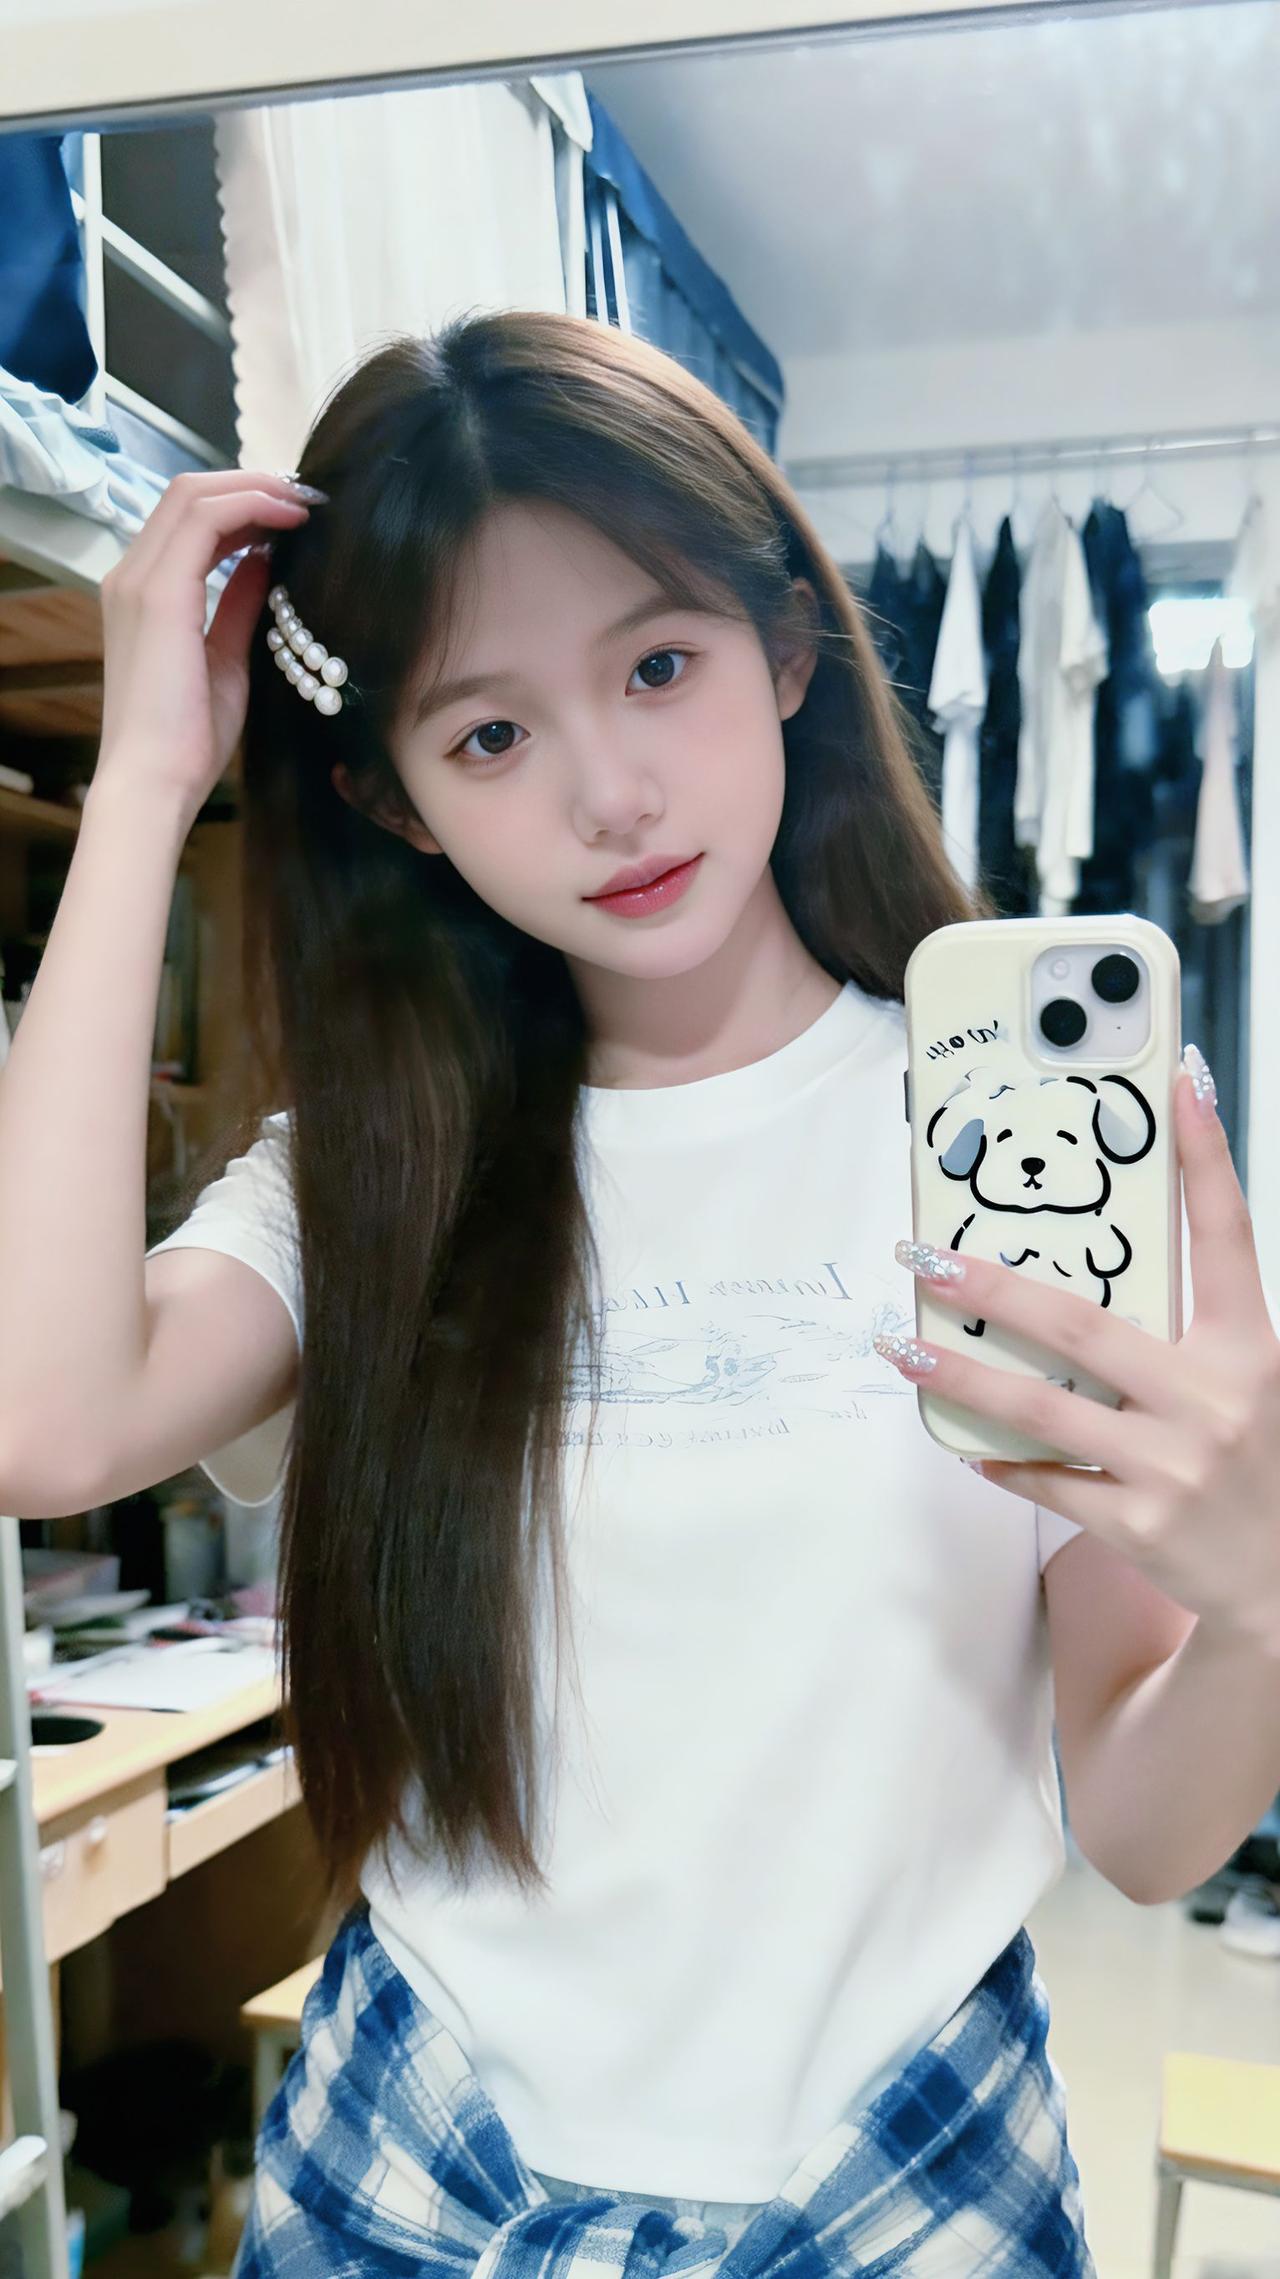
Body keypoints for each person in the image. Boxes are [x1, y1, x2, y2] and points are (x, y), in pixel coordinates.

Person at [3, 312, 1278, 2279]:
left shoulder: (1002, 1154)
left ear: (787, 650)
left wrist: (1264, 1598)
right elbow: (44, 1424)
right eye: (488, 734)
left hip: (900, 2195)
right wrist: (150, 782)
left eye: (657, 666)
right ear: (398, 802)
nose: (607, 792)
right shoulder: (369, 1182)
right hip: (408, 2178)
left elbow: (1143, 1826)